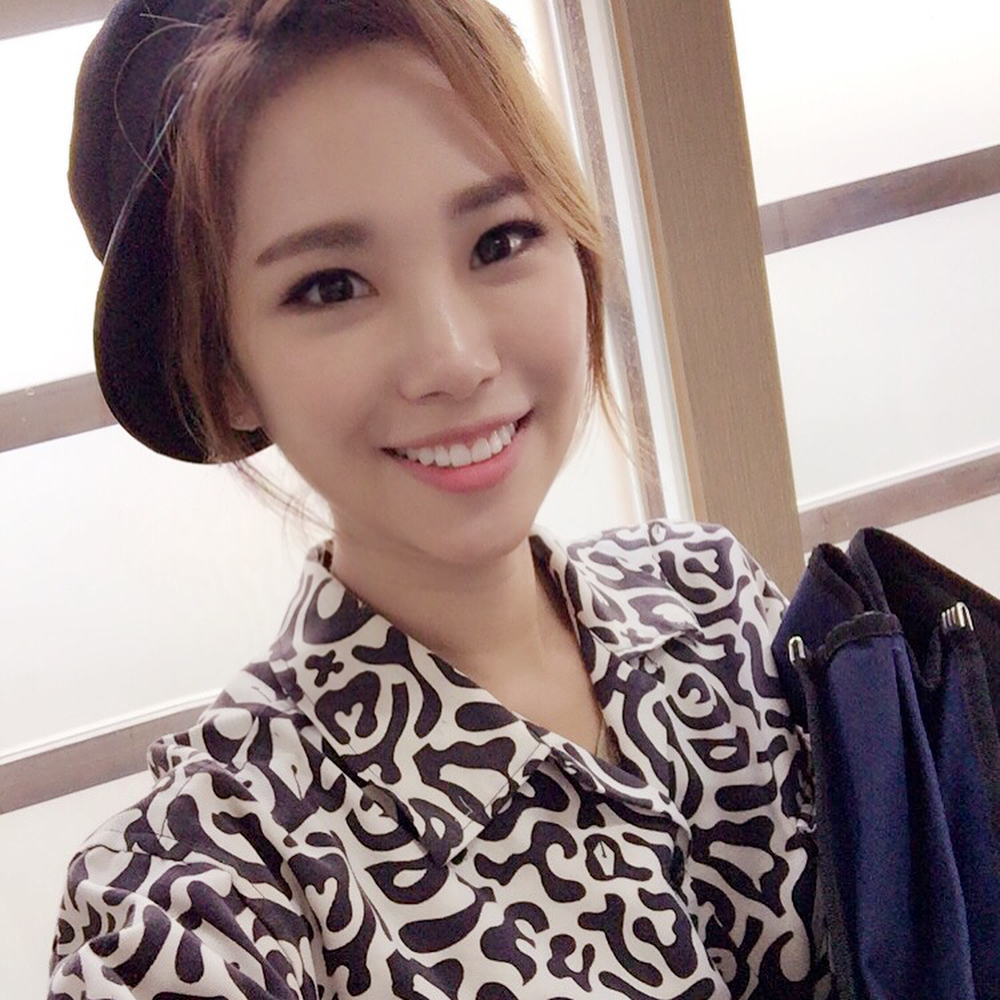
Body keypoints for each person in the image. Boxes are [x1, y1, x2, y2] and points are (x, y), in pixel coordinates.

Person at [49, 0, 830, 996]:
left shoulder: (717, 606)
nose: (453, 360)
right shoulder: (208, 884)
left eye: (500, 239)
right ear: (225, 369)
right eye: (331, 287)